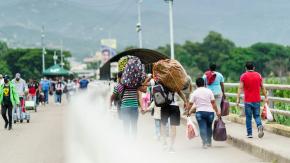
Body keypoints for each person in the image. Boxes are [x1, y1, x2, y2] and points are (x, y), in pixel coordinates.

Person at [147, 76, 188, 153]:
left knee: (163, 125)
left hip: (164, 106)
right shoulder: (174, 84)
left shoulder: (161, 83)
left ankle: (164, 144)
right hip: (174, 106)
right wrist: (185, 102)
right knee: (173, 127)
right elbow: (180, 93)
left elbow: (148, 86)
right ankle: (171, 147)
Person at [237, 62, 268, 139]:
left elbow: (240, 88)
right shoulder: (258, 75)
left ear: (246, 68)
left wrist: (237, 99)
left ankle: (249, 133)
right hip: (257, 99)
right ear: (253, 68)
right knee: (257, 116)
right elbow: (262, 87)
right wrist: (266, 96)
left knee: (248, 117)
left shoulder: (243, 76)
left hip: (247, 100)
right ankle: (259, 126)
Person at [187, 78, 220, 148]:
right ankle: (209, 142)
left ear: (196, 84)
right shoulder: (209, 91)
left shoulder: (195, 92)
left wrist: (188, 111)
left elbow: (190, 103)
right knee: (209, 127)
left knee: (202, 127)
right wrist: (217, 111)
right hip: (210, 112)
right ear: (204, 83)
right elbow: (213, 102)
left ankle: (204, 143)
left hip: (200, 113)